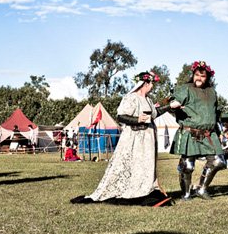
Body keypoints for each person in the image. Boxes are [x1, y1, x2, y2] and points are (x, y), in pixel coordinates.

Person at [75, 71, 179, 204]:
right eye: (152, 83)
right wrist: (137, 119)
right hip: (134, 138)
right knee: (134, 163)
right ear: (145, 83)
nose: (153, 86)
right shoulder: (131, 98)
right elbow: (121, 116)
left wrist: (169, 107)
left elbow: (154, 114)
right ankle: (134, 189)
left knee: (145, 165)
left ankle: (145, 188)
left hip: (148, 140)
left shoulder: (148, 99)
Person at [170, 60, 225, 200]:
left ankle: (201, 189)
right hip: (190, 131)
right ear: (193, 74)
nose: (199, 78)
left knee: (218, 161)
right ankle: (186, 194)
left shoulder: (212, 92)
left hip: (209, 133)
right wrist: (171, 105)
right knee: (187, 166)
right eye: (196, 75)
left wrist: (219, 133)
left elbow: (215, 113)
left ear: (208, 77)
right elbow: (173, 103)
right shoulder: (185, 88)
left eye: (202, 76)